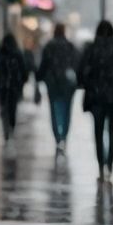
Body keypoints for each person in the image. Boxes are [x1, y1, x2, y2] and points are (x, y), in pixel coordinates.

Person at [77, 20, 113, 181]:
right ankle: (109, 164)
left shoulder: (91, 49)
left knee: (98, 132)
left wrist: (87, 84)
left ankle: (101, 165)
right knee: (112, 131)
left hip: (96, 96)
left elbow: (81, 71)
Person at [37, 23, 81, 152]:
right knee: (67, 110)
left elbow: (43, 65)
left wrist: (39, 77)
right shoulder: (70, 47)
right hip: (68, 84)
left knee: (54, 111)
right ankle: (64, 136)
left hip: (53, 83)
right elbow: (77, 64)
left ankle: (57, 137)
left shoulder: (49, 47)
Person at [0, 32, 31, 142]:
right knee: (12, 109)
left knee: (4, 109)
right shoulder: (17, 54)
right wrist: (21, 83)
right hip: (13, 87)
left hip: (2, 88)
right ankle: (10, 128)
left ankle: (6, 129)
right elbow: (24, 72)